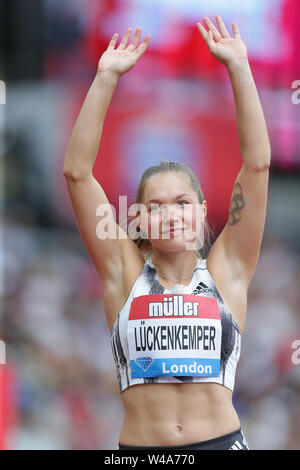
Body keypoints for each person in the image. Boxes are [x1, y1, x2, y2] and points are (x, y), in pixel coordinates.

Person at [63, 16, 271, 450]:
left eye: (181, 203)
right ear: (138, 219)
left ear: (201, 212)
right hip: (143, 452)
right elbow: (77, 173)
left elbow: (256, 165)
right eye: (155, 206)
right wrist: (105, 77)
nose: (171, 214)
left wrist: (239, 68)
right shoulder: (123, 275)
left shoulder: (228, 271)